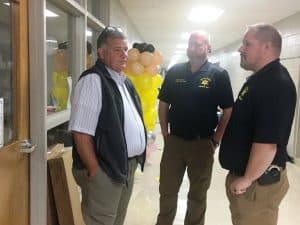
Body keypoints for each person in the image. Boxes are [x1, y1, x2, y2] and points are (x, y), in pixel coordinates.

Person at [219, 23, 297, 225]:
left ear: (266, 47)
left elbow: (268, 143)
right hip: (249, 181)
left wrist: (247, 179)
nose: (240, 49)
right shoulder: (259, 80)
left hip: (256, 185)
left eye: (247, 44)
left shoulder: (275, 84)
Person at [69, 26, 147, 225]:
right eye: (117, 50)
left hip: (124, 166)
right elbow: (80, 132)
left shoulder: (124, 81)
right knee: (101, 221)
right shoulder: (93, 80)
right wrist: (95, 171)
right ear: (101, 53)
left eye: (125, 50)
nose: (124, 55)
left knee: (116, 220)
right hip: (105, 168)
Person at [156, 31, 234, 225]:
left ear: (209, 47)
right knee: (167, 191)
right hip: (174, 142)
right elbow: (163, 105)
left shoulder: (219, 75)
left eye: (200, 44)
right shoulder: (175, 72)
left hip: (202, 144)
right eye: (191, 44)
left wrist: (216, 140)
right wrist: (166, 135)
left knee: (197, 195)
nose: (194, 47)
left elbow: (228, 110)